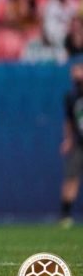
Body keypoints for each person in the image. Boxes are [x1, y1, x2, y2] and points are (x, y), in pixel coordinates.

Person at [61, 61, 83, 228]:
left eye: (78, 70)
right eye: (73, 71)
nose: (75, 74)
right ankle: (65, 215)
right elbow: (69, 121)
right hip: (79, 143)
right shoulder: (71, 96)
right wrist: (68, 140)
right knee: (71, 178)